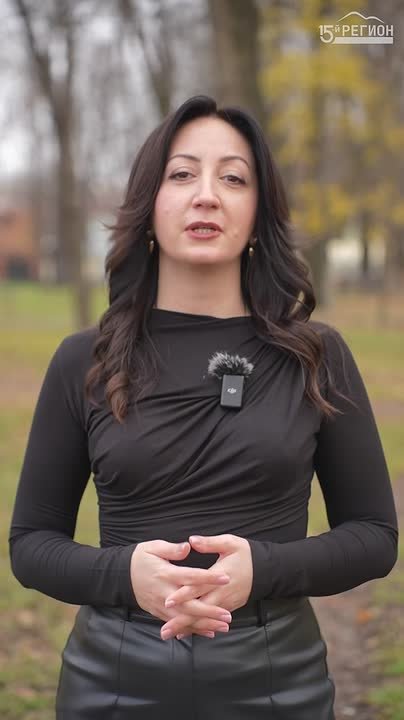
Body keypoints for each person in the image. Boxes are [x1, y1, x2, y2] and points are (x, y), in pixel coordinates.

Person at [9, 94, 398, 720]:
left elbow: (374, 536)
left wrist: (262, 569)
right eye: (183, 174)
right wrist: (125, 577)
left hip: (278, 681)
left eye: (234, 178)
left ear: (259, 213)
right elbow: (31, 544)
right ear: (149, 204)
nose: (207, 195)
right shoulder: (85, 360)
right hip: (112, 682)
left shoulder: (315, 356)